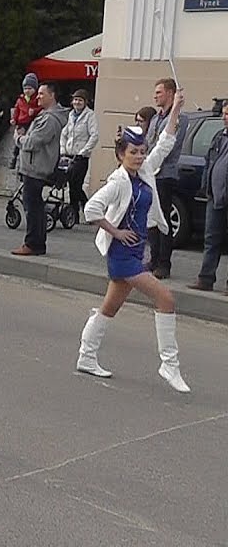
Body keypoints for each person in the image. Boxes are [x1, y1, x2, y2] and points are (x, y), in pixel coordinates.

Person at [77, 91, 190, 393]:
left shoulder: (146, 171)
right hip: (122, 253)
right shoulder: (118, 182)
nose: (139, 156)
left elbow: (165, 142)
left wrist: (176, 107)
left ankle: (86, 357)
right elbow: (91, 210)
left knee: (109, 308)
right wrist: (115, 231)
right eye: (133, 152)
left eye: (141, 151)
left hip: (137, 249)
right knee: (166, 299)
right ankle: (169, 364)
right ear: (120, 155)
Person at [11, 83, 68, 257]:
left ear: (52, 95)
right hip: (34, 166)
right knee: (35, 206)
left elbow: (32, 142)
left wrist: (18, 138)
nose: (38, 97)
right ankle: (37, 243)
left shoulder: (50, 119)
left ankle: (33, 243)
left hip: (36, 168)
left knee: (32, 207)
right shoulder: (45, 115)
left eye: (42, 94)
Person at [144, 78, 189, 279]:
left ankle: (164, 263)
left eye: (159, 92)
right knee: (151, 218)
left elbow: (168, 144)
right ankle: (153, 258)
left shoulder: (179, 118)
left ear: (171, 93)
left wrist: (176, 108)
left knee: (163, 219)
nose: (155, 96)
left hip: (164, 174)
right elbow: (148, 142)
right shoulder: (154, 119)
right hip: (150, 172)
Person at [190, 102, 228, 293]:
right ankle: (205, 279)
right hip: (215, 195)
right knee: (211, 238)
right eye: (224, 114)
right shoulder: (219, 137)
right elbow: (208, 162)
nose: (225, 117)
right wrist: (205, 186)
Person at [60, 89, 100, 220]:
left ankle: (87, 208)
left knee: (76, 186)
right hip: (69, 155)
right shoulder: (71, 115)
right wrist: (62, 148)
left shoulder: (90, 116)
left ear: (85, 102)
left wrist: (84, 151)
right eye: (75, 100)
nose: (77, 102)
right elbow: (64, 133)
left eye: (80, 100)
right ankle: (74, 213)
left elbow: (94, 136)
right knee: (72, 185)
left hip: (81, 157)